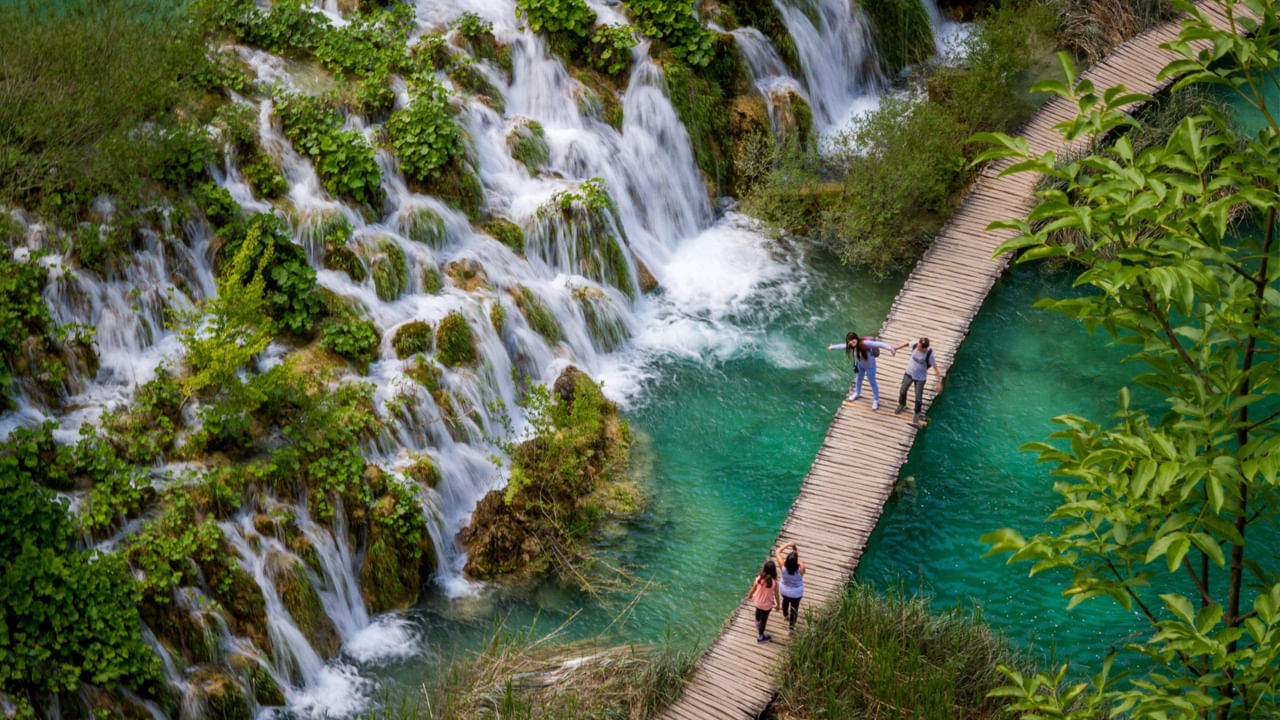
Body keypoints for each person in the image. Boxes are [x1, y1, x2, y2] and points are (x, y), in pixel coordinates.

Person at [827, 332, 897, 409]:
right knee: (858, 379)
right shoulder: (851, 345)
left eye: (852, 340)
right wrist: (832, 347)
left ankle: (876, 399)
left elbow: (879, 344)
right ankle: (857, 393)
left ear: (856, 338)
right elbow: (842, 346)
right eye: (849, 341)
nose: (851, 342)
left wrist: (890, 348)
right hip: (860, 365)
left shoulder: (865, 343)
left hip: (870, 366)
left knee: (872, 382)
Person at [894, 337, 941, 421]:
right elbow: (907, 343)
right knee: (902, 391)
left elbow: (936, 368)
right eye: (918, 344)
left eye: (919, 347)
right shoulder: (916, 344)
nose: (917, 347)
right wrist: (896, 348)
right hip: (909, 373)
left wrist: (939, 382)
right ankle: (902, 404)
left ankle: (917, 412)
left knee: (918, 397)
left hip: (920, 378)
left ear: (924, 348)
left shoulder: (929, 355)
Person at [773, 541, 805, 632]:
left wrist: (788, 544)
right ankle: (791, 628)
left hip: (784, 591)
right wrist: (796, 554)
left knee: (785, 601)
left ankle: (785, 615)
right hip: (796, 593)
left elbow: (777, 552)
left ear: (786, 560)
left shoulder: (783, 567)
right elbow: (800, 563)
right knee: (794, 609)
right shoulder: (801, 569)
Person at [748, 559, 781, 643]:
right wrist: (778, 604)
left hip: (757, 601)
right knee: (764, 620)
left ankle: (757, 622)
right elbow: (776, 595)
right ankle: (760, 637)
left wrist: (750, 595)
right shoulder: (774, 583)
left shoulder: (759, 578)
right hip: (766, 605)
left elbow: (753, 589)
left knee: (758, 611)